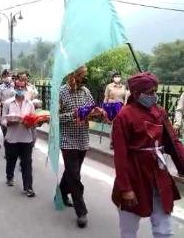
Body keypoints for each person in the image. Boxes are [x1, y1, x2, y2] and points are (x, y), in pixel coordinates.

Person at [112, 72, 184, 238]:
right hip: (134, 176)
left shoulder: (160, 112)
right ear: (136, 94)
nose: (154, 96)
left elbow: (174, 142)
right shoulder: (124, 116)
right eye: (150, 92)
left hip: (159, 175)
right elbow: (120, 157)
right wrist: (125, 189)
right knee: (128, 230)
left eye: (155, 91)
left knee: (164, 230)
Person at [59, 65, 104, 228]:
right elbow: (55, 118)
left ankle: (61, 192)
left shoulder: (85, 91)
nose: (86, 77)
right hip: (67, 139)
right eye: (83, 75)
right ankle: (81, 212)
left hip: (83, 138)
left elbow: (91, 109)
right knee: (75, 175)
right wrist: (74, 114)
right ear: (74, 75)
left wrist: (96, 112)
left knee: (72, 172)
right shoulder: (62, 92)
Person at [1, 79, 36, 197]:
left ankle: (28, 187)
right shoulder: (7, 103)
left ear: (25, 88)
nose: (20, 89)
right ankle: (9, 176)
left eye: (22, 87)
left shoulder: (30, 104)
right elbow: (3, 120)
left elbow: (33, 120)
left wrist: (30, 123)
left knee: (27, 163)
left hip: (26, 139)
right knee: (11, 160)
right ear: (14, 87)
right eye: (18, 87)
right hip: (12, 138)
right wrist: (9, 122)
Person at [0, 69, 16, 156]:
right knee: (6, 132)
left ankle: (15, 151)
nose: (7, 77)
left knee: (14, 132)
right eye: (5, 76)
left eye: (8, 75)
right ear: (2, 77)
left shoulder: (15, 86)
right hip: (4, 111)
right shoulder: (0, 88)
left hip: (14, 111)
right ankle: (7, 152)